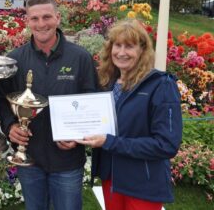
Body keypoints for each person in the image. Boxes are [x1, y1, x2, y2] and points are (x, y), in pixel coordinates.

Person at [0, 0, 98, 210]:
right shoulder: (15, 59)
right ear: (27, 21)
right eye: (35, 18)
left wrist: (78, 136)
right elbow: (2, 99)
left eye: (47, 17)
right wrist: (10, 126)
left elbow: (92, 103)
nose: (41, 24)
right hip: (29, 158)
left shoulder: (80, 58)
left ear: (58, 18)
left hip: (67, 162)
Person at [76, 19, 183, 210]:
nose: (121, 52)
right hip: (111, 179)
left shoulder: (161, 85)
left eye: (129, 46)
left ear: (142, 50)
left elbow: (167, 145)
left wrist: (110, 142)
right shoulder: (108, 83)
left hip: (142, 184)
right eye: (117, 45)